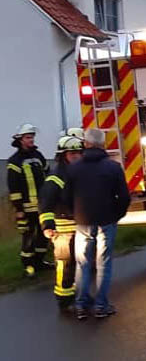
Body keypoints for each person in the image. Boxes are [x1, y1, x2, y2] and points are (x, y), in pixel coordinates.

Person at [65, 128, 130, 320]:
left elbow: (66, 196)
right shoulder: (113, 168)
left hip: (83, 222)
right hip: (107, 220)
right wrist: (117, 215)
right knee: (104, 264)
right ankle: (101, 305)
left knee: (82, 263)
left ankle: (81, 305)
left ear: (85, 144)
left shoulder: (74, 168)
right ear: (103, 145)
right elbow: (124, 197)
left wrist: (74, 214)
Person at [39, 135, 83, 312]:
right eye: (73, 153)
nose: (77, 156)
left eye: (79, 153)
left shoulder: (77, 173)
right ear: (63, 155)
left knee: (79, 263)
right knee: (65, 263)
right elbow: (45, 203)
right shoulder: (56, 177)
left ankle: (75, 295)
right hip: (63, 229)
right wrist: (48, 225)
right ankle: (64, 298)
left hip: (79, 226)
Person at [6, 123, 51, 278]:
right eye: (28, 137)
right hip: (26, 208)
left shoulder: (38, 156)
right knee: (28, 235)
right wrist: (19, 210)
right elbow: (14, 188)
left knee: (44, 234)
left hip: (43, 205)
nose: (31, 139)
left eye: (32, 137)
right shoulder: (14, 161)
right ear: (20, 140)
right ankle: (28, 266)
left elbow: (48, 174)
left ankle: (39, 262)